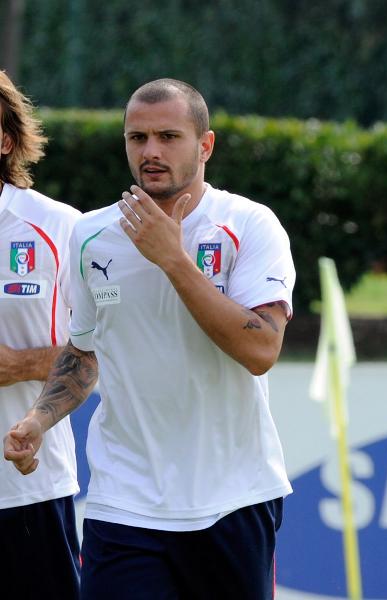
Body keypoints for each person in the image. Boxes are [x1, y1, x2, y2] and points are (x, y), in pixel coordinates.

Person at [4, 78, 295, 599]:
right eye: (137, 138)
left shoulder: (249, 224)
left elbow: (260, 350)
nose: (151, 151)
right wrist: (39, 418)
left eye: (168, 136)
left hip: (233, 499)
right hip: (125, 503)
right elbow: (85, 349)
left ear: (205, 146)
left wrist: (173, 259)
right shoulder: (91, 235)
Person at [0, 70, 82, 599]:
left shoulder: (58, 228)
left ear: (5, 140)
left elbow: (114, 347)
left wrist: (21, 364)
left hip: (24, 489)